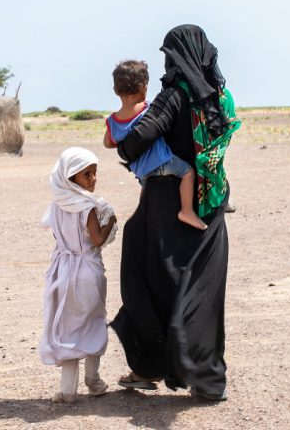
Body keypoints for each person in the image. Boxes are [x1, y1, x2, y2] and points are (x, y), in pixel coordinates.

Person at [109, 24, 240, 402]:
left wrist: (127, 150)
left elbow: (139, 138)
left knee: (148, 280)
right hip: (209, 203)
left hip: (165, 206)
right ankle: (208, 378)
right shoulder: (220, 98)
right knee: (201, 291)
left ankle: (148, 366)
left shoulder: (173, 96)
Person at [38, 147, 118, 403]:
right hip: (88, 271)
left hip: (62, 271)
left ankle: (67, 390)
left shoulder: (57, 205)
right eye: (87, 174)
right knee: (93, 322)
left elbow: (56, 235)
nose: (93, 179)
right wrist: (110, 221)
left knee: (68, 327)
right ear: (71, 177)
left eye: (95, 173)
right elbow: (97, 239)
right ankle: (93, 380)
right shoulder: (88, 206)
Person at [104, 59, 206, 230]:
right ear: (144, 88)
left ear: (115, 90)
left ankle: (142, 214)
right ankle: (187, 211)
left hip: (141, 171)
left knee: (145, 188)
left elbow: (108, 143)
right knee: (188, 173)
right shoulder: (148, 109)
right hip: (162, 162)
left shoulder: (112, 120)